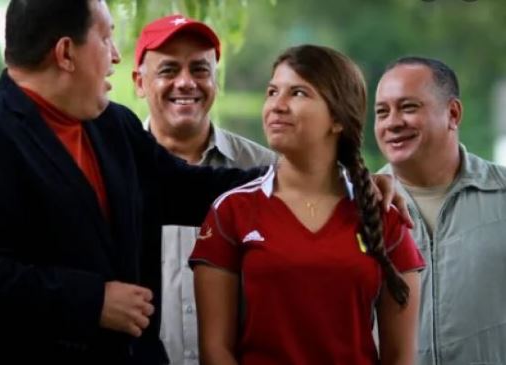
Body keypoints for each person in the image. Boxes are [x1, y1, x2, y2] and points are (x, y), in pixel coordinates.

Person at [0, 1, 263, 364]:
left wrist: (288, 180)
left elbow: (184, 188)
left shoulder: (114, 125)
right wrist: (92, 300)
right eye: (106, 37)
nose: (116, 55)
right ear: (66, 53)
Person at [189, 45, 425, 364]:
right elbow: (216, 350)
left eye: (298, 93)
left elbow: (401, 358)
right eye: (272, 92)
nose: (277, 105)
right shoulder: (231, 212)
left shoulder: (384, 217)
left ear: (338, 119)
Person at [131, 15, 276, 364]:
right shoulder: (115, 169)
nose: (186, 83)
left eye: (199, 69)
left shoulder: (266, 169)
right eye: (168, 70)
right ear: (139, 82)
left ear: (216, 80)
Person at [374, 56, 506, 364]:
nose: (392, 122)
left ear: (453, 113)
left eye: (408, 107)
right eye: (382, 112)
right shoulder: (358, 210)